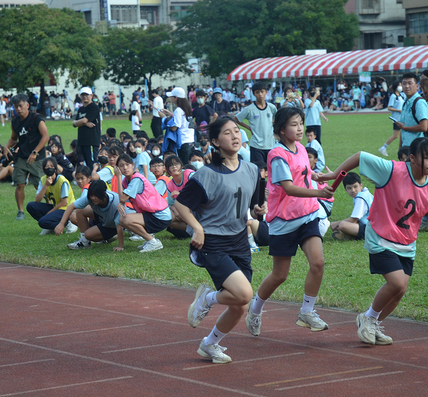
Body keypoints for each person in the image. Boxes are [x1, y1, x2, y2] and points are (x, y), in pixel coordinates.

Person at [319, 138, 428, 345]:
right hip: (380, 236)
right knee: (396, 282)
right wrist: (335, 174)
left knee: (401, 290)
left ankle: (372, 321)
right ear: (413, 158)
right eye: (427, 157)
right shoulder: (391, 170)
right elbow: (360, 156)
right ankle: (368, 318)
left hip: (406, 242)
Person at [174, 116, 266, 364]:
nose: (235, 136)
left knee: (240, 305)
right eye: (227, 133)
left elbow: (254, 203)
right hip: (212, 243)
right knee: (244, 293)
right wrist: (197, 228)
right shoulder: (206, 175)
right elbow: (180, 204)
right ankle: (206, 298)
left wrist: (259, 209)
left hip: (239, 241)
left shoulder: (250, 170)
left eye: (237, 131)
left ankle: (209, 344)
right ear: (215, 141)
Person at [246, 107, 334, 337]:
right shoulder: (276, 154)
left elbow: (303, 174)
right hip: (283, 221)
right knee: (280, 275)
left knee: (318, 263)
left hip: (308, 215)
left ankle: (307, 311)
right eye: (294, 124)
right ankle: (255, 310)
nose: (300, 128)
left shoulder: (303, 149)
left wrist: (318, 177)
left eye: (301, 124)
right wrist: (319, 193)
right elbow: (288, 187)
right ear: (282, 129)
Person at [4, 93, 49, 220]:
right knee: (20, 184)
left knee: (39, 185)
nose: (18, 109)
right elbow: (14, 138)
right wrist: (6, 146)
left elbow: (45, 136)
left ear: (27, 105)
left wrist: (35, 152)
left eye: (20, 106)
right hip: (22, 158)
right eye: (15, 107)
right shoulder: (15, 122)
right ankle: (20, 211)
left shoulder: (37, 118)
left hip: (37, 158)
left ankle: (50, 206)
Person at [116, 153, 171, 252]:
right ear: (118, 168)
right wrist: (120, 203)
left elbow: (123, 198)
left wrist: (118, 177)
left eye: (127, 164)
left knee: (125, 219)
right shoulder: (126, 180)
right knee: (122, 219)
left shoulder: (136, 179)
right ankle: (149, 239)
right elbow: (124, 199)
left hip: (160, 215)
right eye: (121, 165)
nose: (125, 168)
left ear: (133, 165)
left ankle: (153, 242)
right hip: (151, 213)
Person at [57, 180, 126, 250]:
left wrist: (121, 246)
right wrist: (61, 224)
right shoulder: (90, 198)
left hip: (112, 226)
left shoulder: (115, 203)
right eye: (91, 195)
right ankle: (85, 243)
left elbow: (119, 225)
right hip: (102, 218)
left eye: (96, 195)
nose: (93, 198)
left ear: (104, 193)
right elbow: (71, 206)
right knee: (79, 211)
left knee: (88, 235)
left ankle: (107, 237)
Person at [26, 157, 78, 235]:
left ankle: (68, 222)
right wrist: (46, 186)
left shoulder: (62, 180)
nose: (49, 168)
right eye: (47, 167)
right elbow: (37, 200)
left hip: (66, 208)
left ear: (55, 169)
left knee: (42, 222)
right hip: (56, 206)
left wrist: (50, 212)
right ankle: (51, 226)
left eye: (51, 166)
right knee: (31, 206)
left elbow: (64, 202)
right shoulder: (43, 180)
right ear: (43, 169)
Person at [235, 82, 278, 164]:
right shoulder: (249, 109)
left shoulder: (271, 107)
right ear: (254, 94)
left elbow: (278, 120)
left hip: (271, 145)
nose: (260, 94)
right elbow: (236, 119)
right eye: (257, 92)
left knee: (271, 173)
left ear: (266, 92)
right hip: (256, 146)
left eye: (262, 92)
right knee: (258, 172)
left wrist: (275, 133)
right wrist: (249, 128)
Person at [330, 172, 373, 241]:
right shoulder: (365, 192)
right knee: (350, 223)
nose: (353, 190)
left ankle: (353, 235)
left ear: (360, 185)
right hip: (374, 225)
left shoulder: (361, 198)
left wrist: (336, 223)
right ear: (345, 189)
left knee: (343, 225)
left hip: (374, 229)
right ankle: (351, 234)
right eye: (349, 188)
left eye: (355, 186)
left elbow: (353, 219)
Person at [160, 87, 195, 165]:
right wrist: (171, 114)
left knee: (185, 166)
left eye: (172, 97)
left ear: (176, 98)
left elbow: (174, 127)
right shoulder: (186, 108)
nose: (170, 98)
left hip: (183, 142)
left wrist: (164, 118)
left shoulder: (178, 110)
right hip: (190, 140)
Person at [393, 73, 428, 150]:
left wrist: (406, 128)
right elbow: (403, 128)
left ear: (417, 86)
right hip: (406, 148)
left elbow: (424, 127)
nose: (407, 86)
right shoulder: (406, 102)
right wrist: (400, 149)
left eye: (410, 83)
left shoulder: (419, 102)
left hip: (417, 148)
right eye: (404, 84)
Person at [72, 87, 101, 172]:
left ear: (91, 95)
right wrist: (84, 122)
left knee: (93, 164)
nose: (85, 97)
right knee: (88, 163)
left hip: (91, 141)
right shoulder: (81, 109)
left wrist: (81, 122)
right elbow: (74, 123)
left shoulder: (93, 107)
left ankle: (97, 181)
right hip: (82, 140)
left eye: (87, 95)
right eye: (83, 95)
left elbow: (80, 121)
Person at [378, 82, 405, 157]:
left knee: (403, 135)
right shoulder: (393, 96)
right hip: (396, 119)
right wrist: (398, 110)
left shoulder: (401, 95)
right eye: (399, 85)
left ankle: (402, 150)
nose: (401, 87)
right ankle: (383, 148)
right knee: (395, 135)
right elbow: (389, 107)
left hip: (402, 118)